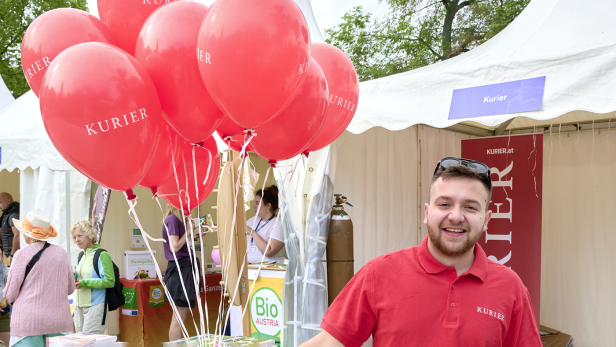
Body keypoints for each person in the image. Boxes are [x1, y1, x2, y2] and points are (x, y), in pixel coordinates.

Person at [300, 158, 542, 347]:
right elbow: (330, 342)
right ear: (427, 212)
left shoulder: (511, 288)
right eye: (444, 204)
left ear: (486, 219)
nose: (455, 216)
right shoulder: (378, 274)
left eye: (470, 207)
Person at [3, 211, 74, 346]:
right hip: (58, 321)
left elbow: (10, 295)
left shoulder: (21, 254)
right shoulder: (61, 253)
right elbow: (70, 288)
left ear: (27, 235)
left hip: (28, 322)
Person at [162, 205, 200, 341]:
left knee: (182, 317)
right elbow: (175, 246)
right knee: (179, 318)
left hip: (184, 268)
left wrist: (194, 234)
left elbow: (181, 243)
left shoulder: (178, 220)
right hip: (180, 270)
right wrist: (189, 231)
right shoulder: (173, 219)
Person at [71, 220, 115, 334]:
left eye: (80, 235)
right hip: (78, 306)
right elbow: (79, 276)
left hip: (95, 306)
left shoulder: (102, 255)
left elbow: (110, 281)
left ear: (89, 234)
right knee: (81, 342)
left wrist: (84, 283)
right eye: (75, 237)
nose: (77, 240)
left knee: (90, 343)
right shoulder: (80, 255)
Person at [245, 185, 285, 263]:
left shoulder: (279, 224)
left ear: (268, 206)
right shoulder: (251, 221)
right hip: (249, 268)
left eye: (257, 203)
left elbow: (269, 251)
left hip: (269, 270)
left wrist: (253, 233)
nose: (254, 206)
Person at [0, 193, 20, 265]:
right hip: (7, 254)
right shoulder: (6, 214)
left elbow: (17, 235)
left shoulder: (13, 214)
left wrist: (13, 254)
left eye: (0, 203)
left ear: (8, 202)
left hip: (13, 256)